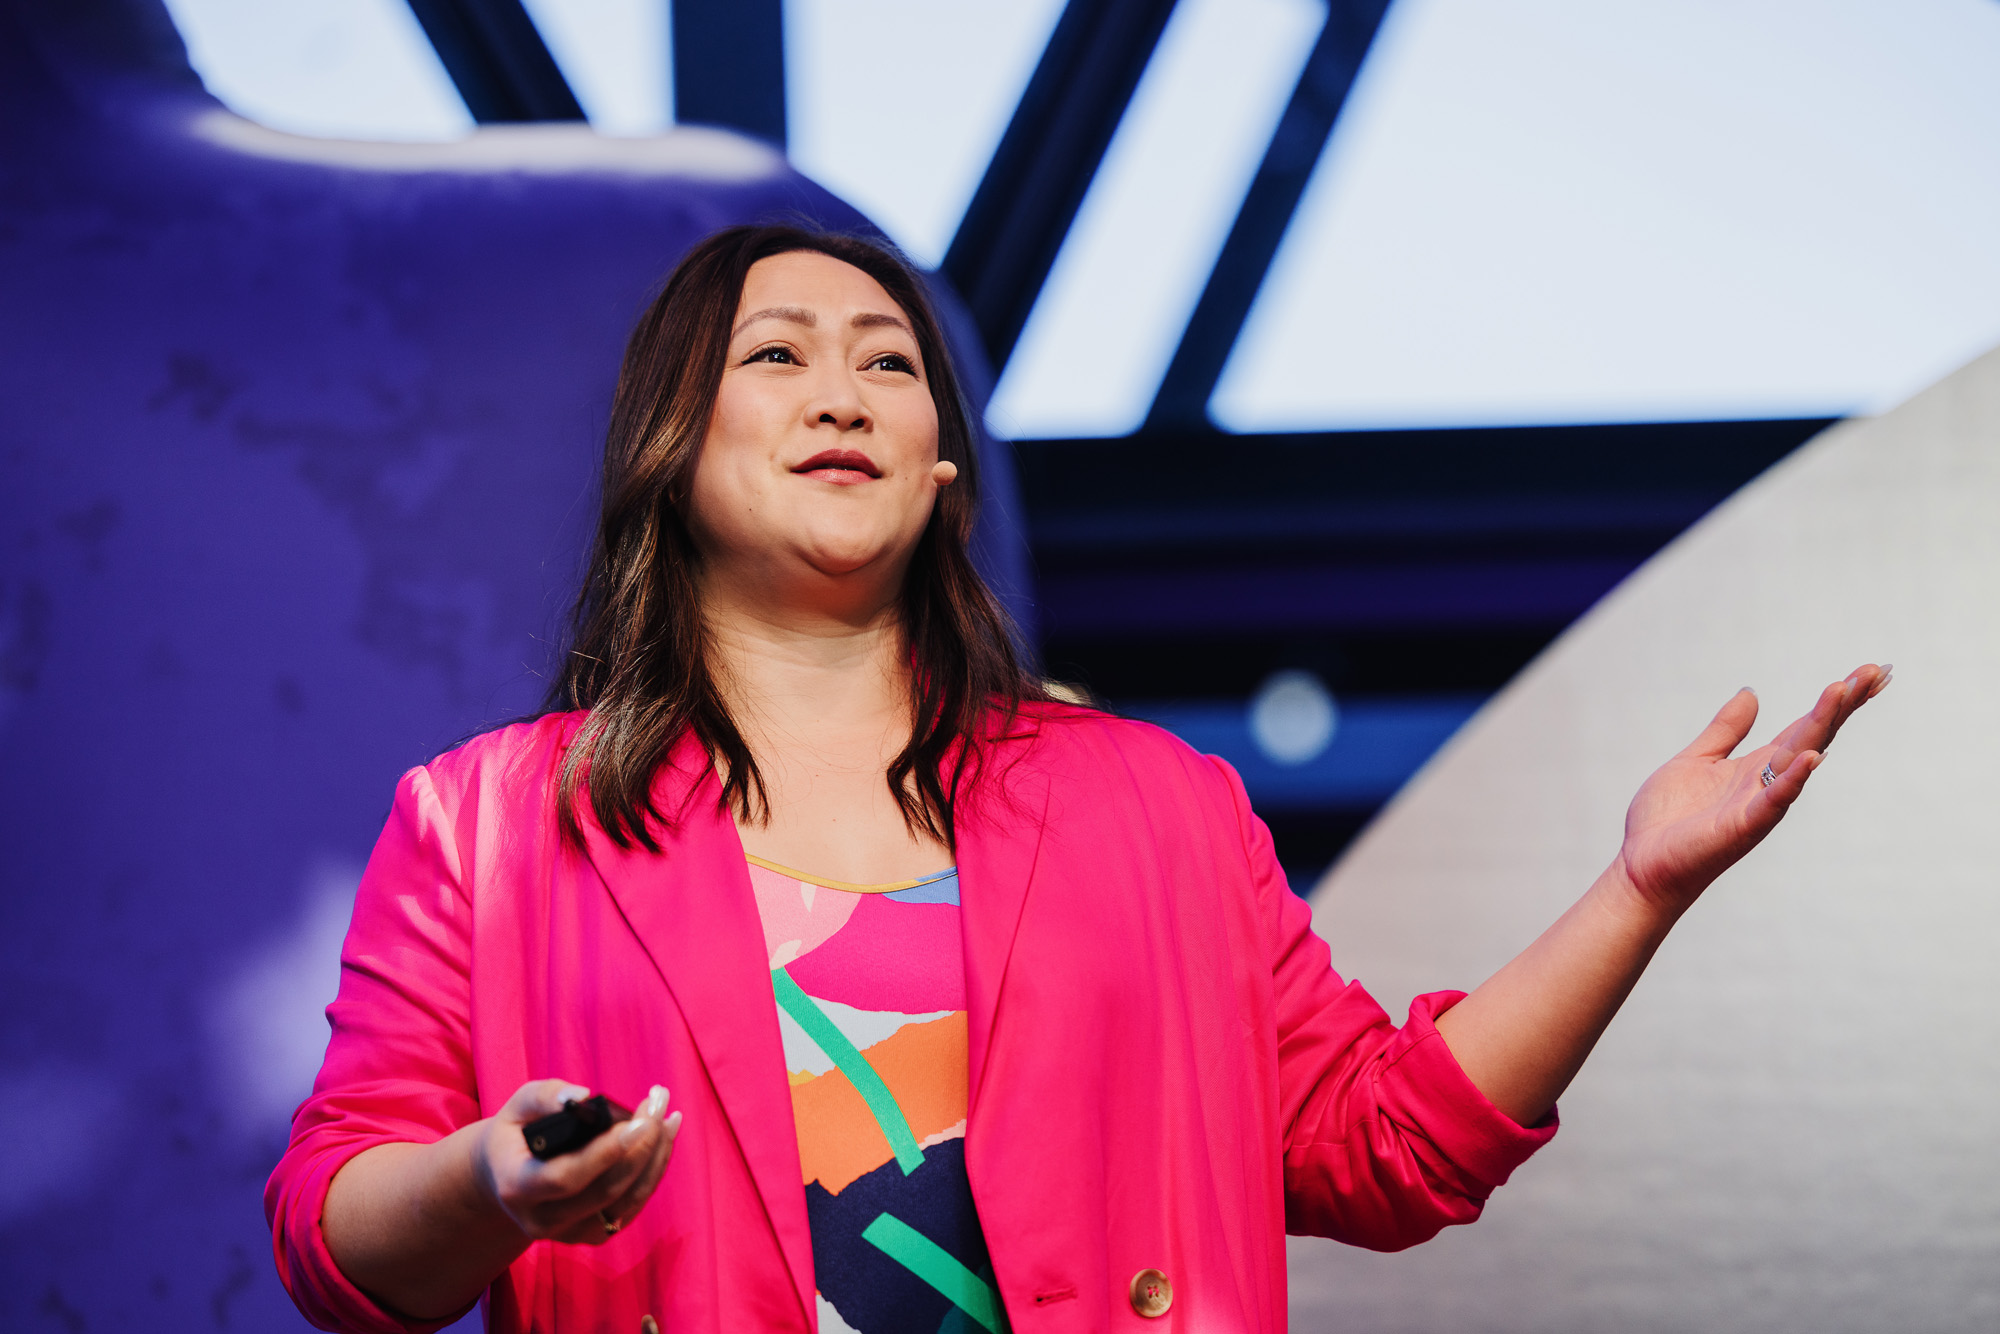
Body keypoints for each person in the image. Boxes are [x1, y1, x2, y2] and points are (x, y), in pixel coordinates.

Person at [265, 224, 1887, 1334]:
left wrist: (1639, 886)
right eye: (779, 354)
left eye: (888, 366)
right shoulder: (486, 823)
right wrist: (494, 1178)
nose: (842, 389)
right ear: (665, 447)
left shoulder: (1152, 803)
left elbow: (1379, 1143)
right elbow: (334, 1243)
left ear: (944, 476)